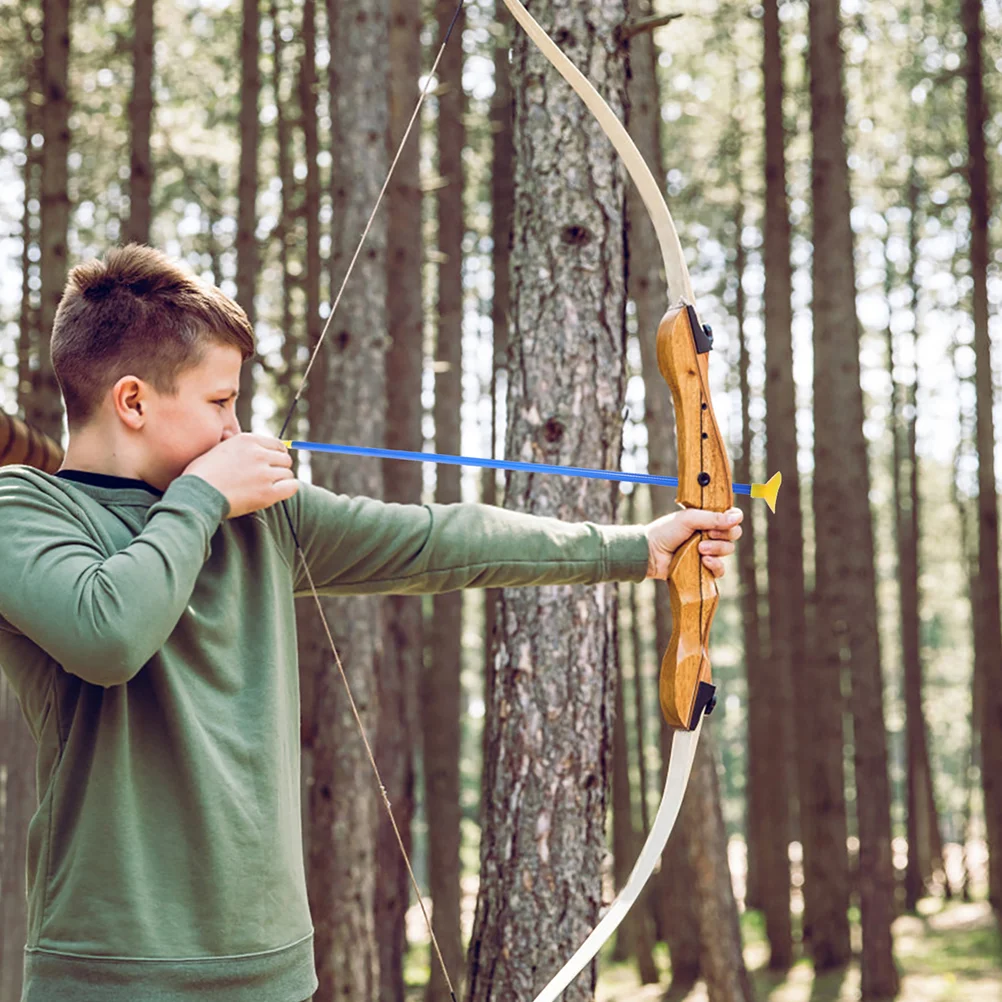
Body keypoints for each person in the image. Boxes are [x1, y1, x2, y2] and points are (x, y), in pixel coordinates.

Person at [0, 244, 742, 1002]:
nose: (237, 427)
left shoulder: (261, 518)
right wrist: (202, 501)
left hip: (269, 970)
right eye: (220, 402)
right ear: (133, 401)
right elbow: (108, 635)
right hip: (106, 974)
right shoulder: (25, 511)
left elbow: (436, 538)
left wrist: (634, 549)